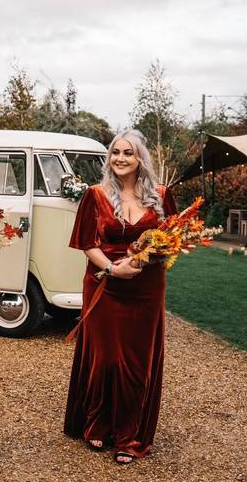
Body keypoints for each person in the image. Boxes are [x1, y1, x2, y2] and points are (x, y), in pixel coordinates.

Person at [63, 129, 177, 464]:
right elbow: (86, 244)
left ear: (140, 158)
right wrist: (113, 270)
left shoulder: (161, 194)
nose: (120, 159)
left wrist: (143, 259)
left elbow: (173, 241)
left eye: (128, 153)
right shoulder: (95, 195)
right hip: (104, 284)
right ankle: (98, 422)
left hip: (145, 289)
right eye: (115, 152)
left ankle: (131, 436)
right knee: (106, 357)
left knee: (138, 362)